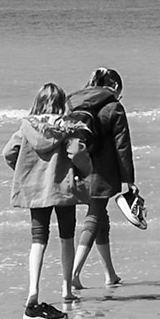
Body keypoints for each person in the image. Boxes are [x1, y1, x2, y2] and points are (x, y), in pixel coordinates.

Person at [3, 83, 91, 319]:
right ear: (62, 103)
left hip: (36, 190)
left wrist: (24, 170)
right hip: (62, 188)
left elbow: (9, 152)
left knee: (38, 239)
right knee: (66, 237)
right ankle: (66, 289)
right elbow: (77, 154)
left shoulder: (27, 126)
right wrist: (85, 171)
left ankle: (33, 289)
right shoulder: (68, 126)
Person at [66, 67, 139, 292]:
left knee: (100, 217)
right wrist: (129, 179)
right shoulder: (113, 107)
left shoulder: (71, 101)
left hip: (75, 167)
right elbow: (122, 145)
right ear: (115, 87)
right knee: (94, 217)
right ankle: (74, 275)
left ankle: (110, 274)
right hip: (101, 171)